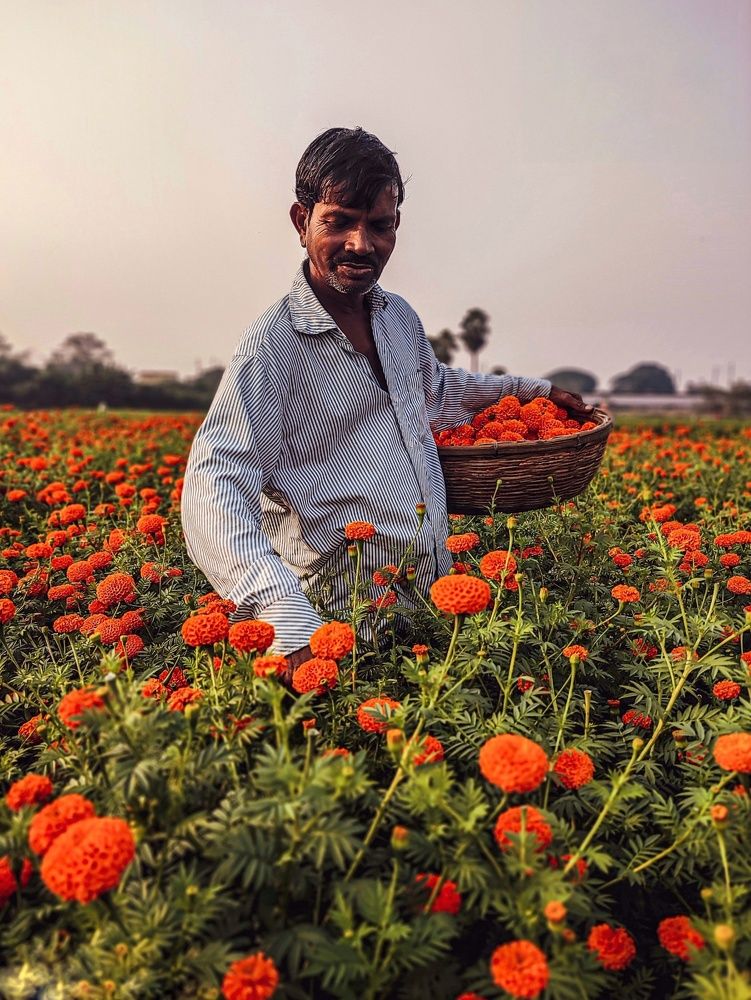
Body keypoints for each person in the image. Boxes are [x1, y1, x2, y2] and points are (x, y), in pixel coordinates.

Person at [181, 126, 592, 675]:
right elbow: (214, 486)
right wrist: (284, 613)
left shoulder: (397, 317)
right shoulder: (273, 345)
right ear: (302, 222)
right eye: (339, 221)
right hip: (340, 627)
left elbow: (441, 391)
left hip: (429, 611)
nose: (361, 244)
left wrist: (535, 394)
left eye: (380, 225)